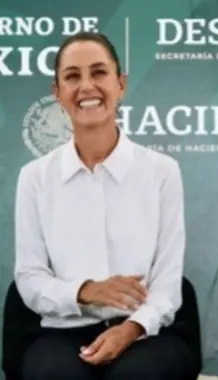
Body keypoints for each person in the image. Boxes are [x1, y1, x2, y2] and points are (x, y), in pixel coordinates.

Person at [14, 32, 195, 380]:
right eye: (72, 76)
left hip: (145, 333)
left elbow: (168, 283)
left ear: (121, 84)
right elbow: (29, 277)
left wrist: (132, 328)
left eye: (98, 73)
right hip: (60, 333)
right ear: (57, 93)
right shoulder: (35, 177)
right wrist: (85, 291)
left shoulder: (162, 172)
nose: (86, 87)